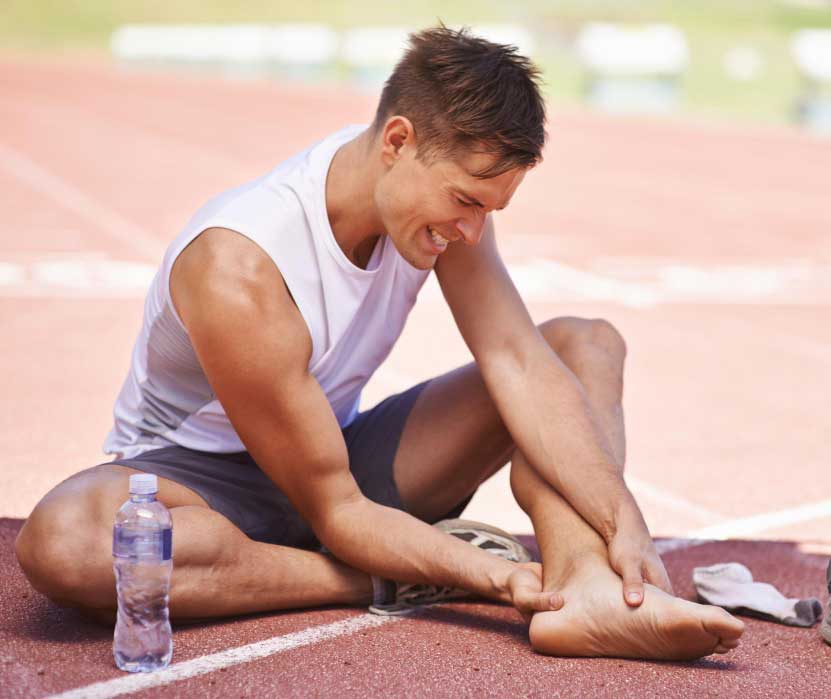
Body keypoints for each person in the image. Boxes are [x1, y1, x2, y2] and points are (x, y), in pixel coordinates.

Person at [14, 26, 743, 660]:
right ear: (398, 140)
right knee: (67, 543)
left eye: (489, 210)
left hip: (340, 452)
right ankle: (374, 574)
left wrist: (624, 523)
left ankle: (584, 588)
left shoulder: (437, 200)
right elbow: (337, 512)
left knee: (587, 345)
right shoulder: (239, 267)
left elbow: (520, 361)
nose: (472, 232)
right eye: (466, 201)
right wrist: (487, 572)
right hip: (202, 481)